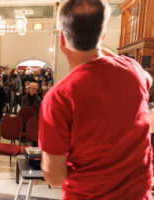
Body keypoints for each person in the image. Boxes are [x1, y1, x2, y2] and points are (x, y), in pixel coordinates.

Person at [38, 0, 153, 199]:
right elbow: (148, 80)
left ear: (62, 39)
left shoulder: (60, 97)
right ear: (103, 35)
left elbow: (55, 177)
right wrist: (100, 50)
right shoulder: (133, 70)